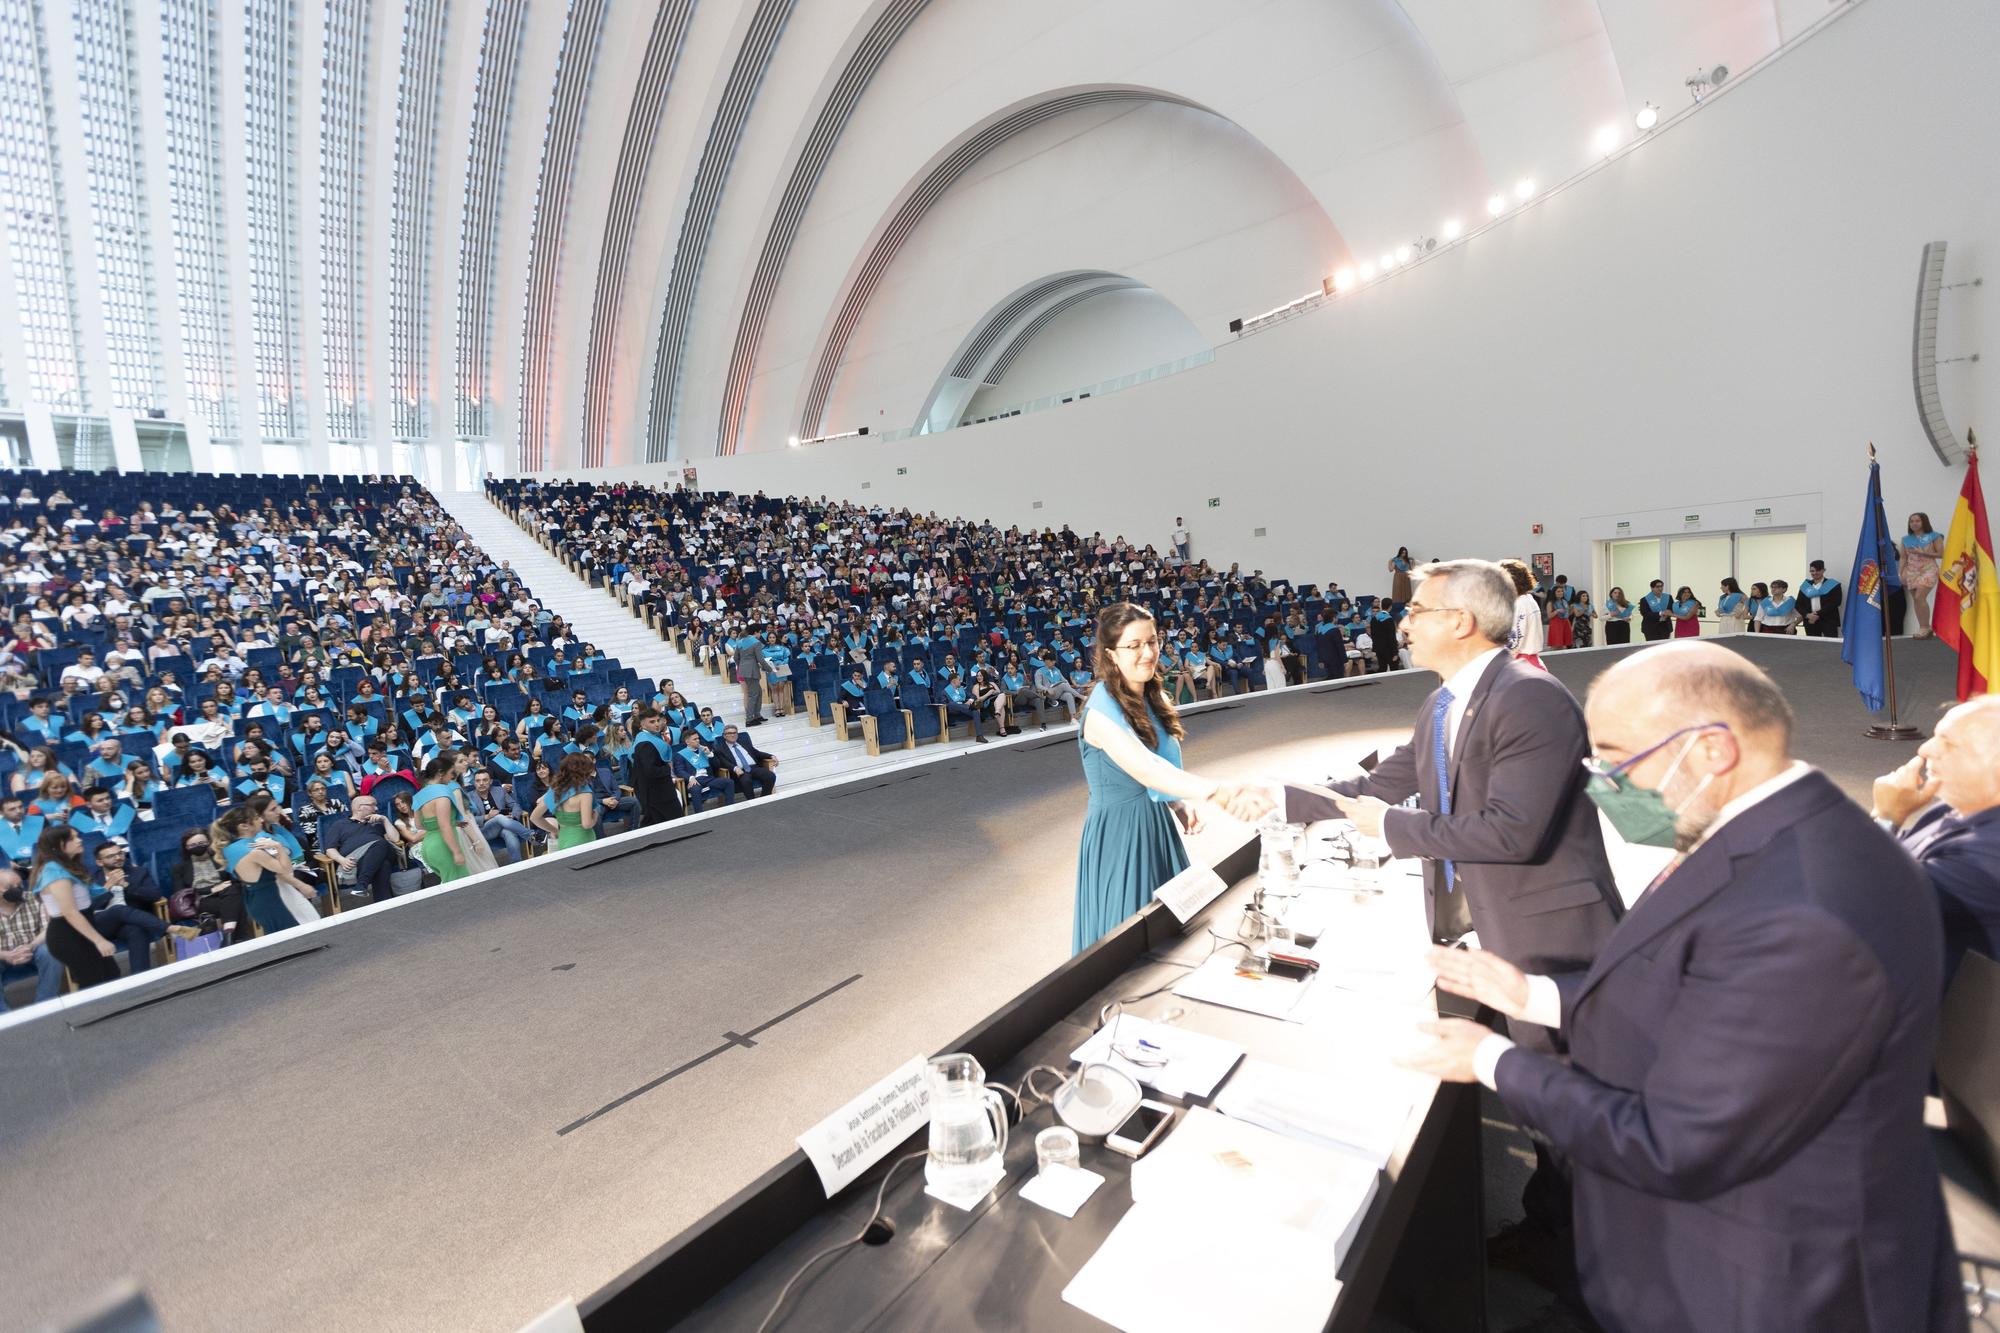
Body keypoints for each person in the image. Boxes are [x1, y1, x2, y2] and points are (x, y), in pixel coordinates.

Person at [1410, 642, 1963, 1333]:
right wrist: (1534, 996)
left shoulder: (1808, 905)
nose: (1601, 781)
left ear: (1709, 751)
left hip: (1761, 1288)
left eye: (1613, 757)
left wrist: (1490, 1059)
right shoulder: (1764, 832)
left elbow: (1676, 1145)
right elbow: (1691, 996)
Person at [1283, 559, 1621, 1259]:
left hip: (1552, 937)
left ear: (1460, 621)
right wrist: (1279, 798)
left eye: (1416, 612)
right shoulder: (1441, 702)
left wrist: (1390, 828)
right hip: (1490, 928)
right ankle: (1554, 1226)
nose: (1401, 624)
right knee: (1537, 1103)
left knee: (1571, 1101)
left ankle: (1598, 1260)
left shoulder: (1531, 697)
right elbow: (1381, 783)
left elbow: (1511, 829)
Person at [1073, 603, 1272, 954]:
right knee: (1126, 947)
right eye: (1133, 646)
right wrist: (1220, 791)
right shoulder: (1100, 712)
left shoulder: (1150, 694)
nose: (1147, 653)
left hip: (1153, 822)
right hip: (1119, 834)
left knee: (1168, 940)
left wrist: (1176, 803)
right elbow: (1146, 769)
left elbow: (1158, 764)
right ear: (1110, 655)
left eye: (1152, 642)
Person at [1872, 697, 2000, 986]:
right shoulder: (1957, 805)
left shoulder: (1985, 855)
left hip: (1935, 1013)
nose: (1925, 749)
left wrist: (1886, 816)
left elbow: (1858, 902)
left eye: (1948, 743)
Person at [31, 825, 120, 988]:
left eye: (78, 836)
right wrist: (99, 941)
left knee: (110, 977)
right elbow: (69, 912)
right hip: (69, 935)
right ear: (58, 845)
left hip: (81, 929)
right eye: (72, 838)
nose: (79, 840)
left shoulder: (68, 866)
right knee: (94, 983)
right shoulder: (54, 872)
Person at [220, 804, 319, 936]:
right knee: (296, 937)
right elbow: (286, 870)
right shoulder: (254, 851)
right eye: (256, 818)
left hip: (255, 898)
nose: (261, 820)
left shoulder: (230, 849)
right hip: (271, 898)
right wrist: (278, 846)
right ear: (244, 826)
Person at [318, 793, 403, 903]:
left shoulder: (377, 822)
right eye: (372, 805)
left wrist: (385, 820)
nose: (376, 808)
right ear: (359, 808)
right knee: (383, 864)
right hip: (357, 860)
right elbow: (330, 849)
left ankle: (361, 884)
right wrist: (341, 860)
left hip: (383, 851)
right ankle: (384, 904)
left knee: (381, 843)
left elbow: (396, 839)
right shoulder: (340, 825)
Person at [0, 865, 63, 1011]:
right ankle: (4, 1016)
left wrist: (31, 945)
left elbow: (48, 928)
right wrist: (6, 955)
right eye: (10, 886)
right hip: (2, 954)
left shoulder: (33, 898)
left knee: (50, 951)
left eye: (19, 885)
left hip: (33, 948)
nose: (17, 889)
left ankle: (44, 1005)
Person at [412, 758, 471, 883]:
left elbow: (419, 824)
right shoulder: (443, 793)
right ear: (440, 773)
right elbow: (444, 826)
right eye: (451, 773)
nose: (452, 777)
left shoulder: (419, 794)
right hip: (444, 847)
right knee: (460, 889)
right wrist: (456, 852)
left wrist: (452, 822)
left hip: (428, 848)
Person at [627, 707, 684, 825]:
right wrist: (667, 767)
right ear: (642, 725)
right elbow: (650, 771)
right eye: (652, 722)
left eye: (658, 720)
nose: (657, 724)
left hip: (657, 790)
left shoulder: (647, 738)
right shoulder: (645, 744)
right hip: (656, 793)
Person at [531, 752, 600, 850]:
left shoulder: (555, 789)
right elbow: (587, 824)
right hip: (584, 841)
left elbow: (534, 817)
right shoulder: (585, 793)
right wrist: (595, 815)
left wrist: (554, 830)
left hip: (563, 840)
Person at [1902, 512, 1945, 638]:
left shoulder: (1934, 536)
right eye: (1911, 521)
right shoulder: (1906, 539)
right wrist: (1901, 573)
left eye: (1917, 521)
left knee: (1920, 596)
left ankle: (1925, 627)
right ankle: (1924, 627)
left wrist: (1924, 553)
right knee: (1916, 599)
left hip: (1928, 570)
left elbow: (1941, 554)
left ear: (1924, 522)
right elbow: (1903, 558)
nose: (1914, 523)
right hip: (1911, 571)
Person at [1500, 560, 1546, 668]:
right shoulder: (1528, 599)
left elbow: (1515, 641)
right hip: (1531, 662)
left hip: (1522, 665)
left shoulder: (1520, 604)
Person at [715, 724, 777, 801]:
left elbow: (756, 752)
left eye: (734, 733)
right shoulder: (721, 748)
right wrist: (735, 768)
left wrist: (770, 756)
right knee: (746, 781)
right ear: (724, 736)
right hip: (740, 771)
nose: (733, 735)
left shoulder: (743, 743)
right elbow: (723, 762)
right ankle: (752, 801)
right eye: (730, 733)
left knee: (770, 775)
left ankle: (763, 799)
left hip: (754, 767)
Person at [1798, 559, 1843, 637]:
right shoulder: (1806, 586)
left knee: (1830, 645)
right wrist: (1807, 615)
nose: (1815, 573)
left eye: (1818, 570)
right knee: (1812, 646)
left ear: (1823, 570)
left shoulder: (1833, 584)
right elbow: (1798, 604)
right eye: (1812, 571)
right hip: (1810, 620)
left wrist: (1817, 614)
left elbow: (1835, 602)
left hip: (1828, 620)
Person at [732, 627, 767, 726]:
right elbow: (760, 659)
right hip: (752, 671)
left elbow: (735, 658)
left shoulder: (739, 643)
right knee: (753, 695)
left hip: (744, 670)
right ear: (754, 633)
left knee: (758, 692)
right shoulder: (755, 643)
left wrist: (742, 665)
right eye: (759, 633)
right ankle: (749, 718)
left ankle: (757, 715)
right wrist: (769, 669)